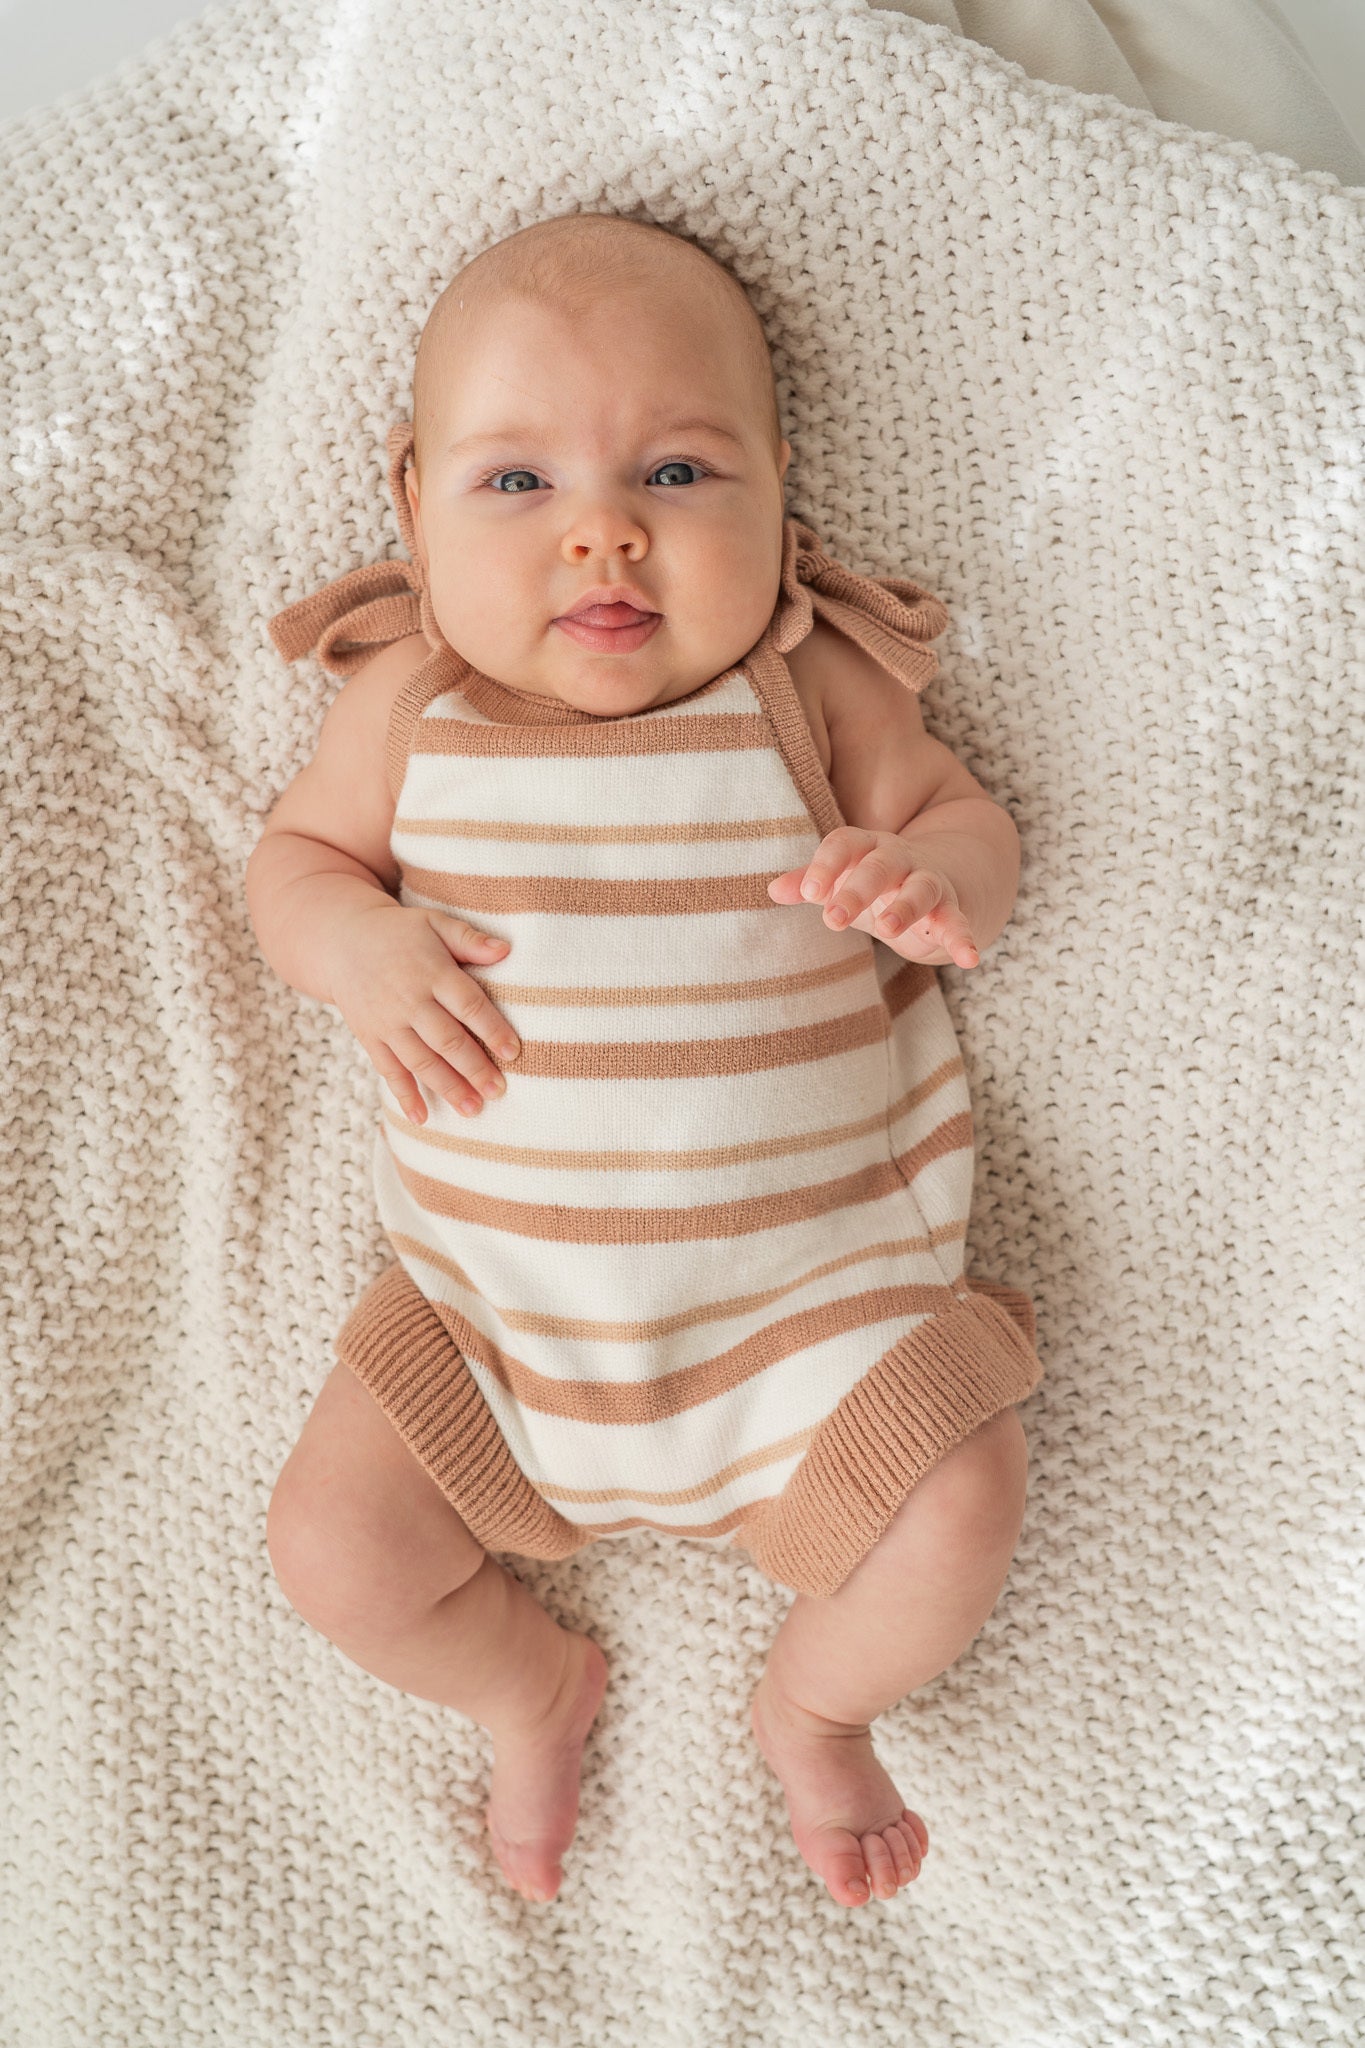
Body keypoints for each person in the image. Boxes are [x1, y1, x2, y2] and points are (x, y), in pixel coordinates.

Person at [247, 211, 1042, 1913]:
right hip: (491, 1328)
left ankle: (815, 1709)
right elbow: (293, 866)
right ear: (411, 504)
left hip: (813, 1321)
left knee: (963, 1492)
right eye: (516, 484)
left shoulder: (804, 676)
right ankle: (520, 1687)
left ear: (780, 504)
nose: (602, 533)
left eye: (678, 475)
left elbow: (960, 818)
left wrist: (934, 883)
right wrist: (357, 943)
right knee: (329, 1546)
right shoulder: (405, 696)